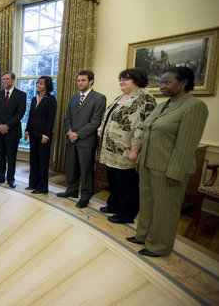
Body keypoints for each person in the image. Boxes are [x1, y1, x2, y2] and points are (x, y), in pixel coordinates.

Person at [128, 67, 208, 257]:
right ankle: (143, 235)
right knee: (147, 204)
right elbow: (148, 132)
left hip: (168, 168)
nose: (162, 85)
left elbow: (187, 144)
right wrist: (140, 159)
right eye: (161, 82)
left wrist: (176, 171)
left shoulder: (194, 106)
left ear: (183, 83)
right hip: (148, 164)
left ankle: (159, 246)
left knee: (165, 209)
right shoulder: (162, 105)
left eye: (167, 82)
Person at [97, 68, 156, 224]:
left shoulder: (144, 99)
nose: (121, 82)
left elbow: (142, 127)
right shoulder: (121, 97)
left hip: (127, 150)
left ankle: (126, 213)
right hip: (110, 149)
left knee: (127, 184)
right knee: (114, 180)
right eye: (120, 79)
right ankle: (114, 205)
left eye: (125, 79)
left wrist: (135, 150)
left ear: (137, 80)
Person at [56, 70, 106, 208]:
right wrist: (70, 132)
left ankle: (85, 196)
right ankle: (71, 190)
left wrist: (78, 134)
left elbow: (95, 122)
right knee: (71, 168)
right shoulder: (73, 98)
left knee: (86, 170)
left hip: (86, 141)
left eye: (83, 80)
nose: (80, 83)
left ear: (91, 81)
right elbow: (67, 118)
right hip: (71, 139)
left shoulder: (99, 98)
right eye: (78, 80)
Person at [0, 71, 27, 188]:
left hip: (13, 131)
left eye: (7, 79)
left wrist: (7, 126)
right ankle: (0, 177)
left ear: (13, 80)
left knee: (11, 157)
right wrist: (0, 125)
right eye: (4, 79)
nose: (5, 81)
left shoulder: (21, 95)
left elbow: (20, 113)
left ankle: (11, 179)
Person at [24, 76, 57, 195]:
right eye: (38, 83)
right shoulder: (34, 99)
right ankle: (32, 183)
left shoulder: (51, 99)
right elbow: (30, 116)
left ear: (47, 86)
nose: (38, 85)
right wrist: (27, 130)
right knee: (33, 160)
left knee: (43, 162)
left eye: (41, 83)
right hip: (33, 133)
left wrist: (46, 135)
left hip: (44, 135)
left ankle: (42, 187)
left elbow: (51, 119)